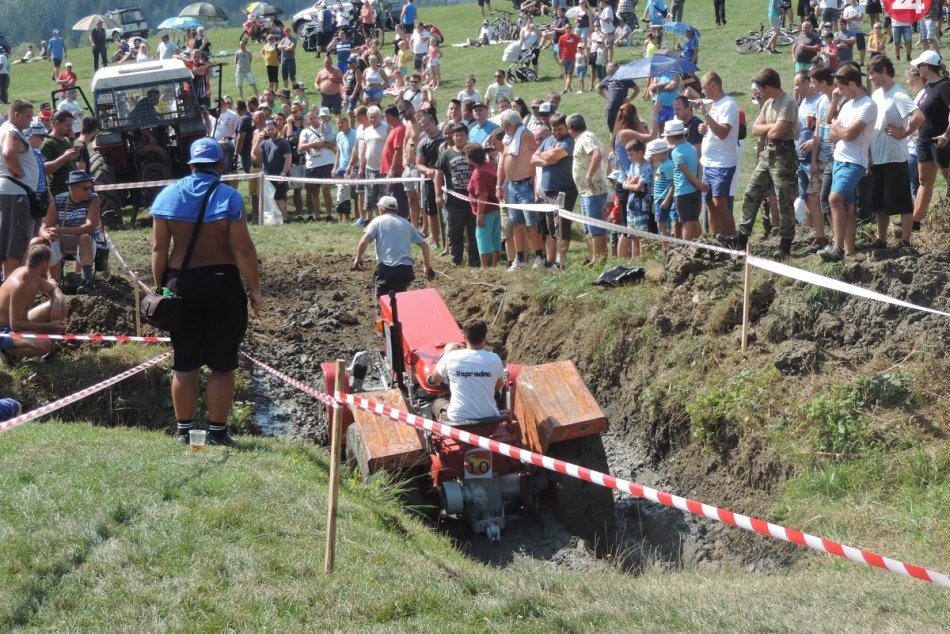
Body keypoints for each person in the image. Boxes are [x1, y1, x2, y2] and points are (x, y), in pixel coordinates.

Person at [151, 137, 263, 447]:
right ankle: (217, 432)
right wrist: (255, 289)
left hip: (180, 283)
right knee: (223, 364)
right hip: (221, 282)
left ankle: (184, 432)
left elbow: (159, 249)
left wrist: (162, 289)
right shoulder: (229, 197)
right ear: (219, 164)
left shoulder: (167, 196)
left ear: (190, 164)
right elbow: (243, 249)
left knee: (184, 363)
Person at [720, 68, 799, 259]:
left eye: (760, 88)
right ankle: (741, 238)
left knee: (784, 199)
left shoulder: (787, 103)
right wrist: (771, 127)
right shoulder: (768, 104)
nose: (758, 92)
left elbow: (777, 133)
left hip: (784, 154)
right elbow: (756, 129)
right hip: (768, 153)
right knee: (752, 192)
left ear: (768, 87)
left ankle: (785, 243)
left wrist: (769, 128)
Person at [867, 55, 917, 248]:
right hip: (877, 155)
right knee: (879, 203)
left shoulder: (898, 95)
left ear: (884, 71)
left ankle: (905, 240)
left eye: (873, 73)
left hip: (894, 156)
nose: (870, 77)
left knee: (902, 200)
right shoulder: (876, 95)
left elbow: (918, 116)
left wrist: (904, 133)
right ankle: (881, 239)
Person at [353, 195, 434, 296]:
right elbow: (424, 245)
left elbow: (363, 241)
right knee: (401, 297)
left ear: (381, 209)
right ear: (396, 209)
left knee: (383, 299)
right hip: (406, 269)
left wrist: (358, 258)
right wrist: (426, 265)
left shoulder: (377, 221)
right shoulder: (406, 223)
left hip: (387, 268)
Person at [427, 319, 505, 424]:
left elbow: (435, 379)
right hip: (489, 419)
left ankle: (436, 432)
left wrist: (447, 352)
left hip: (457, 420)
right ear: (484, 337)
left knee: (437, 403)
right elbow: (498, 385)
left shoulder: (451, 357)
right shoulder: (495, 359)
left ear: (464, 337)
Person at [0, 245, 66, 364]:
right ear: (44, 265)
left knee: (61, 305)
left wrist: (57, 301)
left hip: (19, 321)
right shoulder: (20, 285)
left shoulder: (33, 276)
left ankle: (49, 351)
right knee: (44, 344)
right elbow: (16, 325)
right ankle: (8, 351)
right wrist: (47, 326)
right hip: (4, 331)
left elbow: (54, 289)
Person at [34, 170, 100, 288]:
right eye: (85, 188)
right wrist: (46, 235)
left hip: (86, 242)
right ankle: (39, 280)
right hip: (63, 240)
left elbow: (90, 228)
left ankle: (87, 282)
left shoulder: (94, 199)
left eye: (91, 187)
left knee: (85, 237)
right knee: (36, 242)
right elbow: (44, 228)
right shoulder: (58, 200)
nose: (89, 191)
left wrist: (62, 230)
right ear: (72, 188)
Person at [909, 50, 950, 232]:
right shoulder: (928, 87)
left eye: (919, 66)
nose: (917, 69)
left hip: (941, 142)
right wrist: (922, 134)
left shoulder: (944, 86)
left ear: (926, 67)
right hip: (925, 141)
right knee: (924, 181)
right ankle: (915, 221)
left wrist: (946, 135)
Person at [496, 110, 541, 270]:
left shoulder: (526, 135)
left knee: (531, 222)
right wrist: (499, 185)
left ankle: (539, 256)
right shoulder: (508, 139)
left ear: (509, 125)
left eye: (503, 125)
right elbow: (503, 162)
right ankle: (520, 257)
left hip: (525, 184)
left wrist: (536, 174)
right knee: (516, 223)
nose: (502, 128)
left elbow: (538, 153)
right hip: (511, 186)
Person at [532, 113, 577, 268]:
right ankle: (552, 261)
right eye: (554, 129)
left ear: (566, 127)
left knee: (562, 226)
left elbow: (556, 154)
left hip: (564, 189)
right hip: (547, 190)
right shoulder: (548, 140)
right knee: (551, 227)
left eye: (560, 129)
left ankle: (561, 261)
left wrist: (545, 155)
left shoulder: (569, 140)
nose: (557, 132)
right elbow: (533, 159)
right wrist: (548, 158)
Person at [698, 72, 739, 236]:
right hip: (709, 163)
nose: (703, 91)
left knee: (719, 203)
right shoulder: (716, 105)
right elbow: (714, 128)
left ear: (713, 85)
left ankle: (732, 238)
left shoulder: (729, 105)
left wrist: (705, 114)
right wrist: (703, 128)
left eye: (704, 87)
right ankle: (717, 239)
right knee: (710, 203)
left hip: (722, 163)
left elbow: (722, 133)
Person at [567, 113, 611, 264]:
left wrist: (589, 175)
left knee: (595, 227)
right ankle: (593, 258)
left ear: (570, 128)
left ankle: (600, 260)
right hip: (585, 192)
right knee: (588, 228)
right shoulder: (582, 138)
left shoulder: (586, 137)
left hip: (593, 191)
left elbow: (597, 154)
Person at [664, 119, 707, 240]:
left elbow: (686, 172)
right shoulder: (691, 147)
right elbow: (698, 165)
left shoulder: (676, 152)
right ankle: (701, 243)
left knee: (686, 222)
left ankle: (686, 246)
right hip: (695, 191)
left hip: (682, 192)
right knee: (694, 220)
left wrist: (698, 184)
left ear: (671, 137)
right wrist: (698, 183)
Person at [464, 143, 502, 268]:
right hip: (496, 208)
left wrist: (480, 214)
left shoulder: (478, 173)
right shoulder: (488, 166)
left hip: (486, 211)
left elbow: (483, 194)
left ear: (471, 157)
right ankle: (496, 263)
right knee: (495, 236)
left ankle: (484, 266)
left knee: (482, 237)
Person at [299, 110, 337, 221]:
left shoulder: (327, 128)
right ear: (308, 120)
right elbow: (301, 147)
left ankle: (329, 215)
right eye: (310, 118)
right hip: (312, 165)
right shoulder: (305, 132)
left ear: (318, 118)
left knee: (326, 189)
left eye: (315, 117)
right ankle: (317, 216)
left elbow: (335, 142)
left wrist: (322, 145)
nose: (313, 120)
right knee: (314, 192)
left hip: (327, 162)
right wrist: (313, 144)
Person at [253, 119, 292, 222]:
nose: (271, 131)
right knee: (270, 199)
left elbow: (288, 159)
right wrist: (257, 141)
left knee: (280, 198)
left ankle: (285, 219)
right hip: (267, 177)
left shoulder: (283, 143)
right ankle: (275, 219)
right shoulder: (265, 143)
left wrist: (283, 174)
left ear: (277, 129)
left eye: (272, 129)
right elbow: (256, 152)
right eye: (268, 130)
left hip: (279, 176)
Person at [41, 110, 79, 196]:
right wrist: (65, 157)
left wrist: (75, 156)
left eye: (71, 125)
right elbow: (45, 169)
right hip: (60, 193)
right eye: (68, 125)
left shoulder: (67, 140)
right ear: (57, 124)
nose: (71, 128)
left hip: (73, 190)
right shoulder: (47, 143)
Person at [598, 61, 640, 133]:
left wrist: (630, 99)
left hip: (622, 109)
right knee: (612, 131)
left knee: (624, 129)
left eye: (610, 67)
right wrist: (606, 96)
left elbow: (637, 89)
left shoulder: (625, 79)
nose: (607, 69)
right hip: (610, 109)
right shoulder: (607, 79)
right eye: (607, 67)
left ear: (616, 68)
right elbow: (598, 88)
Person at [558, 24, 581, 95]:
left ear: (572, 28)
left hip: (573, 58)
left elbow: (580, 47)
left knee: (569, 74)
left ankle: (565, 89)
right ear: (564, 29)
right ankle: (569, 87)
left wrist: (579, 56)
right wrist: (560, 59)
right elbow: (560, 49)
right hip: (564, 58)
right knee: (566, 73)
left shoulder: (576, 37)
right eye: (567, 28)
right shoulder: (562, 37)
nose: (568, 29)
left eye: (570, 28)